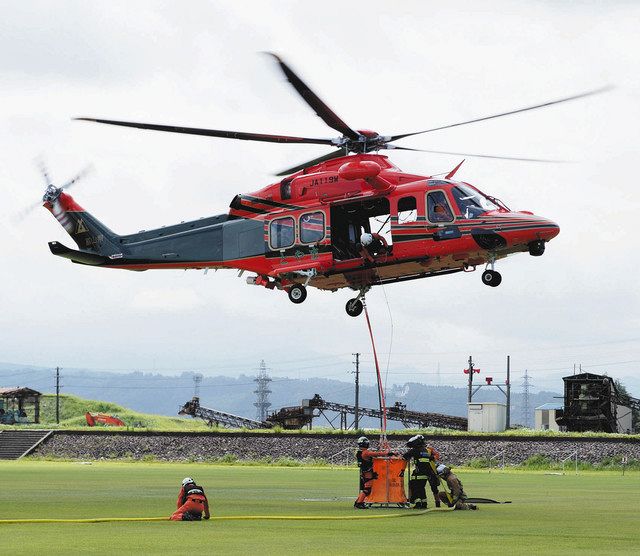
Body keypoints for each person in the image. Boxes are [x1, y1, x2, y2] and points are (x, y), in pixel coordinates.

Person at [402, 434, 441, 509]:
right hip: (426, 474)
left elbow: (405, 457)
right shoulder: (426, 451)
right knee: (421, 488)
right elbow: (432, 458)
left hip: (418, 473)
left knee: (415, 487)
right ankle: (424, 503)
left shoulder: (415, 450)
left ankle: (418, 503)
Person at [354, 436, 392, 509]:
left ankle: (358, 502)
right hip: (368, 473)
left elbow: (372, 456)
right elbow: (376, 454)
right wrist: (386, 452)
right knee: (367, 489)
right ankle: (359, 503)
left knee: (366, 488)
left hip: (364, 472)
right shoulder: (366, 452)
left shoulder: (359, 452)